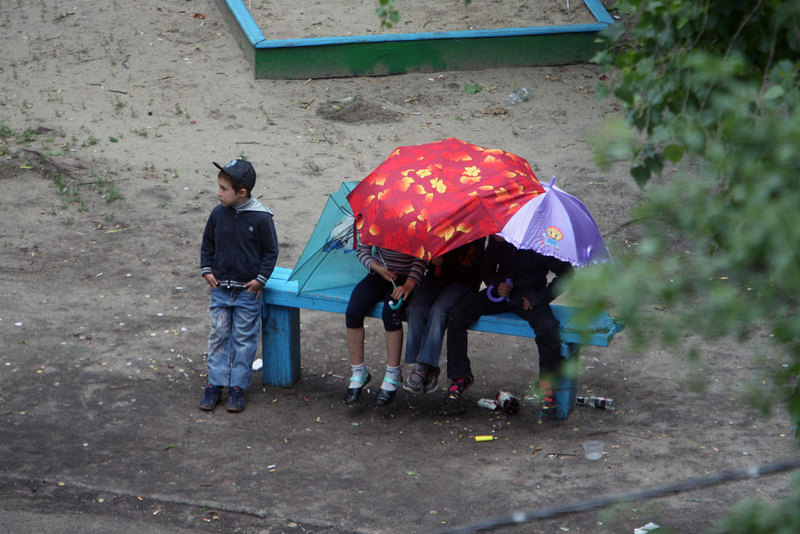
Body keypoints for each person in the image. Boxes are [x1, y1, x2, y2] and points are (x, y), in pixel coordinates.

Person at [444, 234, 573, 415]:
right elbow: (485, 268)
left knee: (548, 328)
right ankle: (460, 376)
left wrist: (539, 297)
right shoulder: (502, 232)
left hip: (529, 298)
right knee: (456, 315)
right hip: (501, 295)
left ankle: (547, 383)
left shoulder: (542, 240)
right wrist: (497, 284)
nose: (497, 237)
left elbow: (567, 274)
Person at [199, 159, 279, 413]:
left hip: (248, 293)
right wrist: (207, 270)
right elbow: (208, 244)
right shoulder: (217, 214)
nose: (218, 193)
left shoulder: (262, 218)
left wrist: (260, 280)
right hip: (221, 290)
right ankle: (215, 383)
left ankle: (238, 387)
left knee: (244, 339)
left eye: (224, 189)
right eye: (219, 187)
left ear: (242, 192)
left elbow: (270, 252)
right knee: (218, 335)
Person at [344, 244, 427, 406]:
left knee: (391, 313)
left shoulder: (417, 220)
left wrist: (408, 286)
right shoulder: (376, 220)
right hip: (380, 272)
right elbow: (363, 250)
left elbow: (422, 257)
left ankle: (393, 373)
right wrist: (379, 268)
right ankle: (358, 371)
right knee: (353, 312)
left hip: (405, 278)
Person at [403, 238, 485, 394]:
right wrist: (431, 259)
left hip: (462, 283)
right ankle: (427, 367)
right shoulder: (438, 220)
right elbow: (423, 251)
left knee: (438, 311)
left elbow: (472, 266)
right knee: (415, 308)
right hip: (435, 279)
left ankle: (422, 366)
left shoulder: (475, 230)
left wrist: (445, 261)